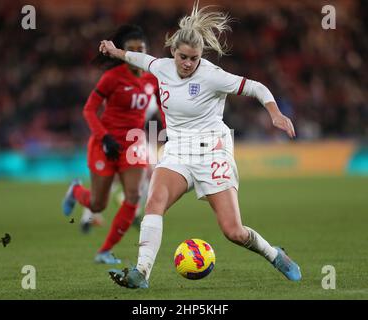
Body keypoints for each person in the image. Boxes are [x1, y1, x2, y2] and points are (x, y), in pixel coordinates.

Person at [100, 2, 301, 288]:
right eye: (183, 57)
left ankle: (273, 254)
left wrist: (275, 113)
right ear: (173, 53)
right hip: (177, 151)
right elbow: (137, 59)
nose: (188, 64)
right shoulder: (162, 67)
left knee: (233, 231)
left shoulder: (211, 75)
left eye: (194, 58)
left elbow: (256, 87)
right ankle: (141, 272)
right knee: (154, 202)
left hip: (212, 152)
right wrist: (114, 51)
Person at [62, 25, 162, 264]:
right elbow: (88, 110)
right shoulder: (112, 78)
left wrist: (171, 131)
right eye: (131, 50)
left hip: (134, 143)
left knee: (134, 195)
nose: (137, 54)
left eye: (141, 50)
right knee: (98, 205)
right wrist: (104, 137)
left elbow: (163, 108)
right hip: (105, 142)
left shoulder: (153, 78)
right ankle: (76, 190)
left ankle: (104, 251)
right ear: (123, 52)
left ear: (147, 51)